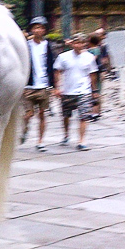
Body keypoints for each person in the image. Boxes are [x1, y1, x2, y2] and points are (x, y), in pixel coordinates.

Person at [52, 33, 99, 150]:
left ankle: (81, 140)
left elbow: (92, 74)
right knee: (66, 116)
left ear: (85, 44)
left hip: (84, 90)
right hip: (68, 90)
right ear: (72, 44)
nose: (79, 45)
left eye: (81, 43)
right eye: (76, 42)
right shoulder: (63, 57)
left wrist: (94, 90)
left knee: (84, 116)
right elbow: (57, 71)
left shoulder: (89, 57)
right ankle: (66, 134)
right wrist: (57, 87)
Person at [23, 16, 55, 151]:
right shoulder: (26, 45)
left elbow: (50, 65)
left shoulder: (47, 45)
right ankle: (23, 131)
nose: (38, 30)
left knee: (42, 114)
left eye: (41, 28)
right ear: (32, 29)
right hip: (29, 86)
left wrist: (53, 86)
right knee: (28, 114)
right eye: (36, 27)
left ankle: (40, 141)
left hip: (43, 85)